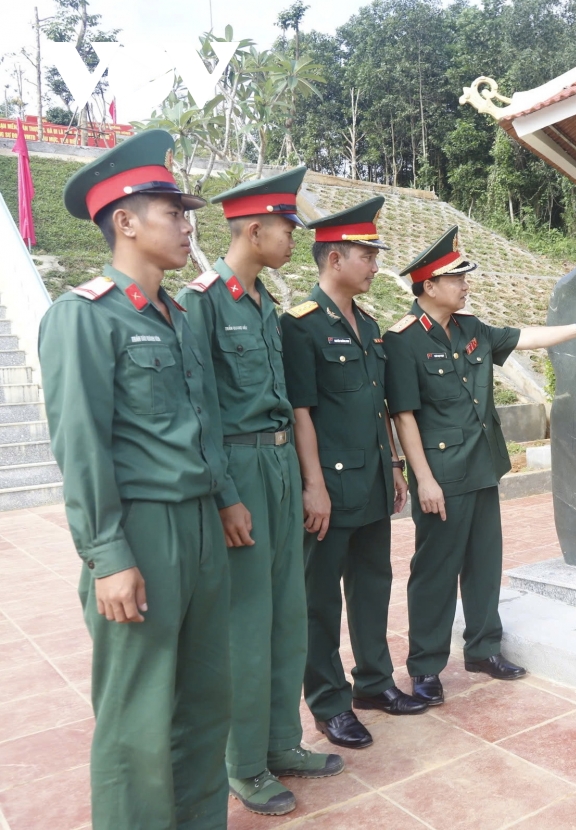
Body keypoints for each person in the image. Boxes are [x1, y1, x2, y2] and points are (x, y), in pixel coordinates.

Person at [40, 128, 231, 829]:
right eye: (173, 213)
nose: (187, 226)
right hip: (141, 531)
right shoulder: (85, 317)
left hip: (200, 525)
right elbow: (82, 447)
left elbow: (203, 422)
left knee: (206, 698)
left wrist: (223, 500)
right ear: (124, 221)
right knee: (137, 716)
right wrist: (109, 556)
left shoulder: (176, 317)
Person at [383, 226, 576, 705]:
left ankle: (483, 648)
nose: (466, 284)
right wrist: (422, 478)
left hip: (482, 465)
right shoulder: (402, 340)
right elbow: (402, 416)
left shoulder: (472, 329)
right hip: (442, 478)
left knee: (484, 564)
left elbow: (527, 337)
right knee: (434, 571)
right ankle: (426, 666)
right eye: (456, 278)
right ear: (429, 286)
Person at [177, 168, 343, 816]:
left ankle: (282, 744)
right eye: (286, 228)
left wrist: (306, 481)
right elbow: (202, 412)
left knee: (285, 616)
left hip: (276, 470)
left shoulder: (264, 304)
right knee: (246, 626)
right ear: (254, 229)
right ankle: (243, 766)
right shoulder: (205, 300)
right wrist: (224, 497)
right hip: (240, 472)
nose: (293, 239)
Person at [280, 196, 427, 751]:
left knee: (371, 586)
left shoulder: (367, 326)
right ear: (334, 258)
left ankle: (374, 683)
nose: (373, 263)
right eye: (366, 254)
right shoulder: (301, 326)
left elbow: (379, 406)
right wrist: (313, 486)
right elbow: (301, 413)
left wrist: (393, 463)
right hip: (329, 487)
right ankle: (329, 703)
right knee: (320, 600)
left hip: (369, 480)